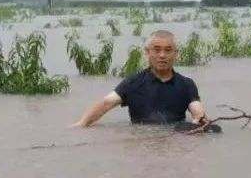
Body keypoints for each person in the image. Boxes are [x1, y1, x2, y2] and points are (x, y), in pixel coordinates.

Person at [74, 30, 206, 128]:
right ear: (147, 53)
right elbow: (106, 103)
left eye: (168, 50)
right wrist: (81, 125)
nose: (162, 55)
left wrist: (200, 121)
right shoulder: (133, 83)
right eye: (157, 50)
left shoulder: (186, 84)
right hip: (141, 140)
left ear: (175, 54)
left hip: (175, 138)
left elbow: (197, 111)